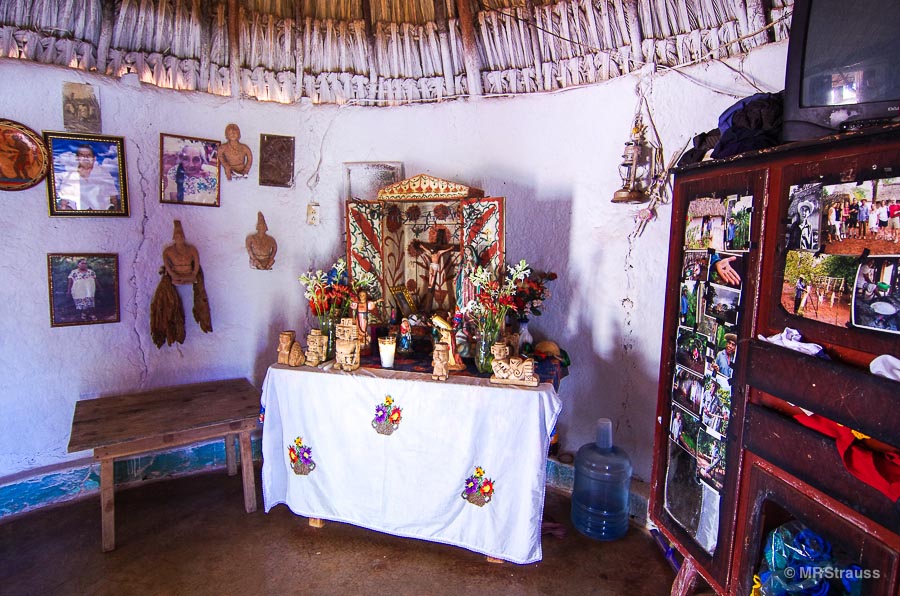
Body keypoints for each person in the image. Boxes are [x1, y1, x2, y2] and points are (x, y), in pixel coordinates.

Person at [55, 144, 119, 210]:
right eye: (82, 155)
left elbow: (113, 197)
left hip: (102, 216)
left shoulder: (104, 174)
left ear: (94, 158)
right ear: (77, 158)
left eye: (88, 155)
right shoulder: (69, 176)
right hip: (78, 217)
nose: (85, 158)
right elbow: (64, 201)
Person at [162, 220, 201, 285]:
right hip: (176, 276)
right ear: (174, 238)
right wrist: (172, 274)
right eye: (177, 237)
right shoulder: (168, 251)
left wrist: (193, 274)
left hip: (189, 274)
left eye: (181, 237)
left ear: (184, 238)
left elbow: (195, 269)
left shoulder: (192, 249)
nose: (179, 239)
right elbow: (166, 262)